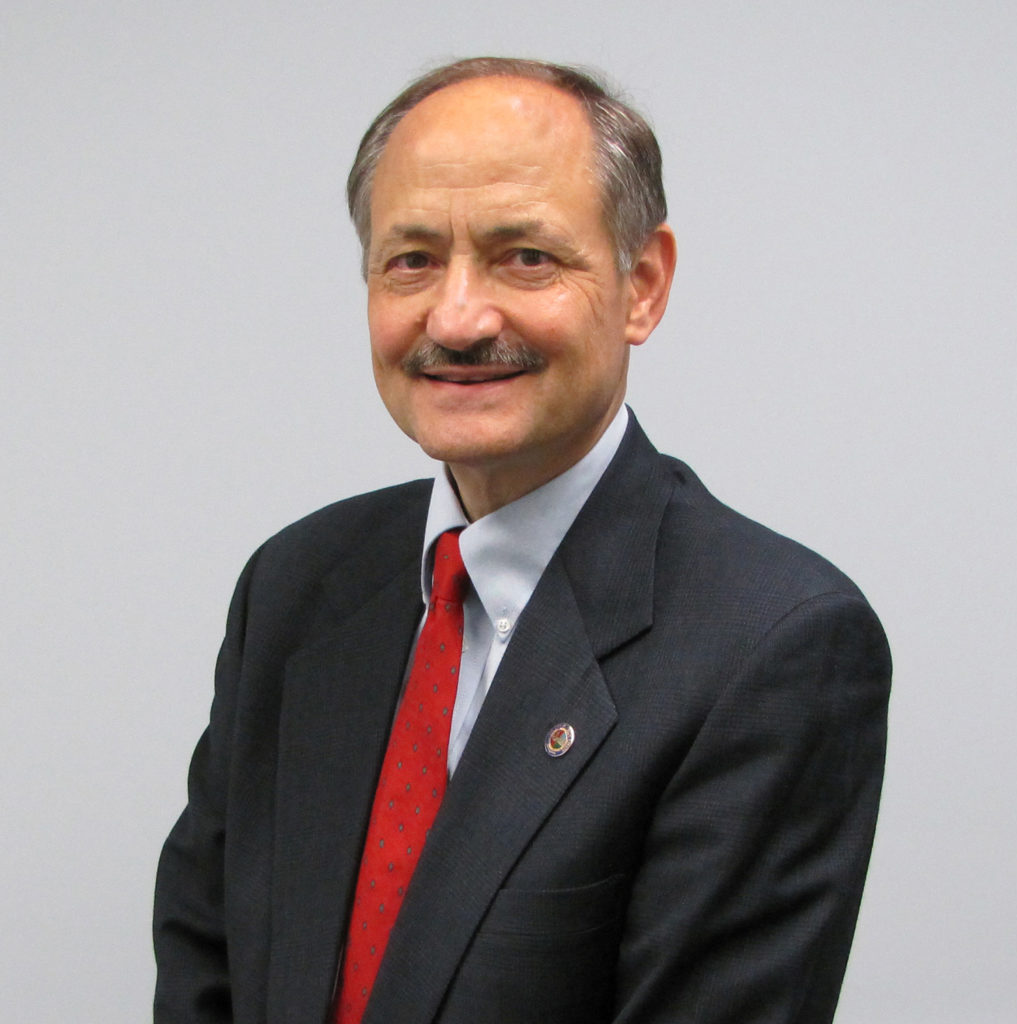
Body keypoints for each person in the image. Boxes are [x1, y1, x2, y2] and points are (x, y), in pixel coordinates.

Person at [153, 57, 891, 1024]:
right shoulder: (295, 586)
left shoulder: (771, 645)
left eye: (526, 257)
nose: (457, 318)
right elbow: (205, 964)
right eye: (412, 260)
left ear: (642, 285)